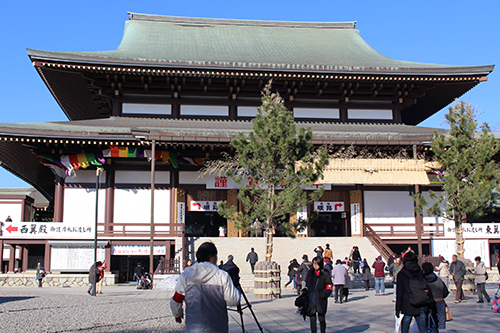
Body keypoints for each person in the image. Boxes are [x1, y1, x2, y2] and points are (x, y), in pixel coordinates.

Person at [170, 242, 241, 333]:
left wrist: (177, 314)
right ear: (211, 257)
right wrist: (237, 290)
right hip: (217, 328)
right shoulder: (222, 275)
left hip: (194, 329)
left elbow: (176, 300)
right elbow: (233, 300)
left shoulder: (186, 276)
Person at [396, 251, 430, 333]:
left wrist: (398, 309)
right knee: (423, 327)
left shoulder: (401, 274)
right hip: (421, 303)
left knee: (405, 325)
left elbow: (399, 293)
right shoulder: (420, 272)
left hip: (408, 304)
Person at [302, 256, 333, 333]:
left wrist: (322, 295)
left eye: (317, 264)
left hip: (320, 299)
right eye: (314, 264)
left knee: (321, 318)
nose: (315, 266)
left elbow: (329, 286)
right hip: (311, 299)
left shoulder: (325, 273)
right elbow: (307, 284)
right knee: (312, 319)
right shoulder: (310, 273)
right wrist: (305, 290)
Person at [423, 262, 449, 330]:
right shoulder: (439, 280)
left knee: (428, 324)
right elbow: (445, 292)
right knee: (438, 324)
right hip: (440, 302)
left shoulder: (424, 281)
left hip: (428, 304)